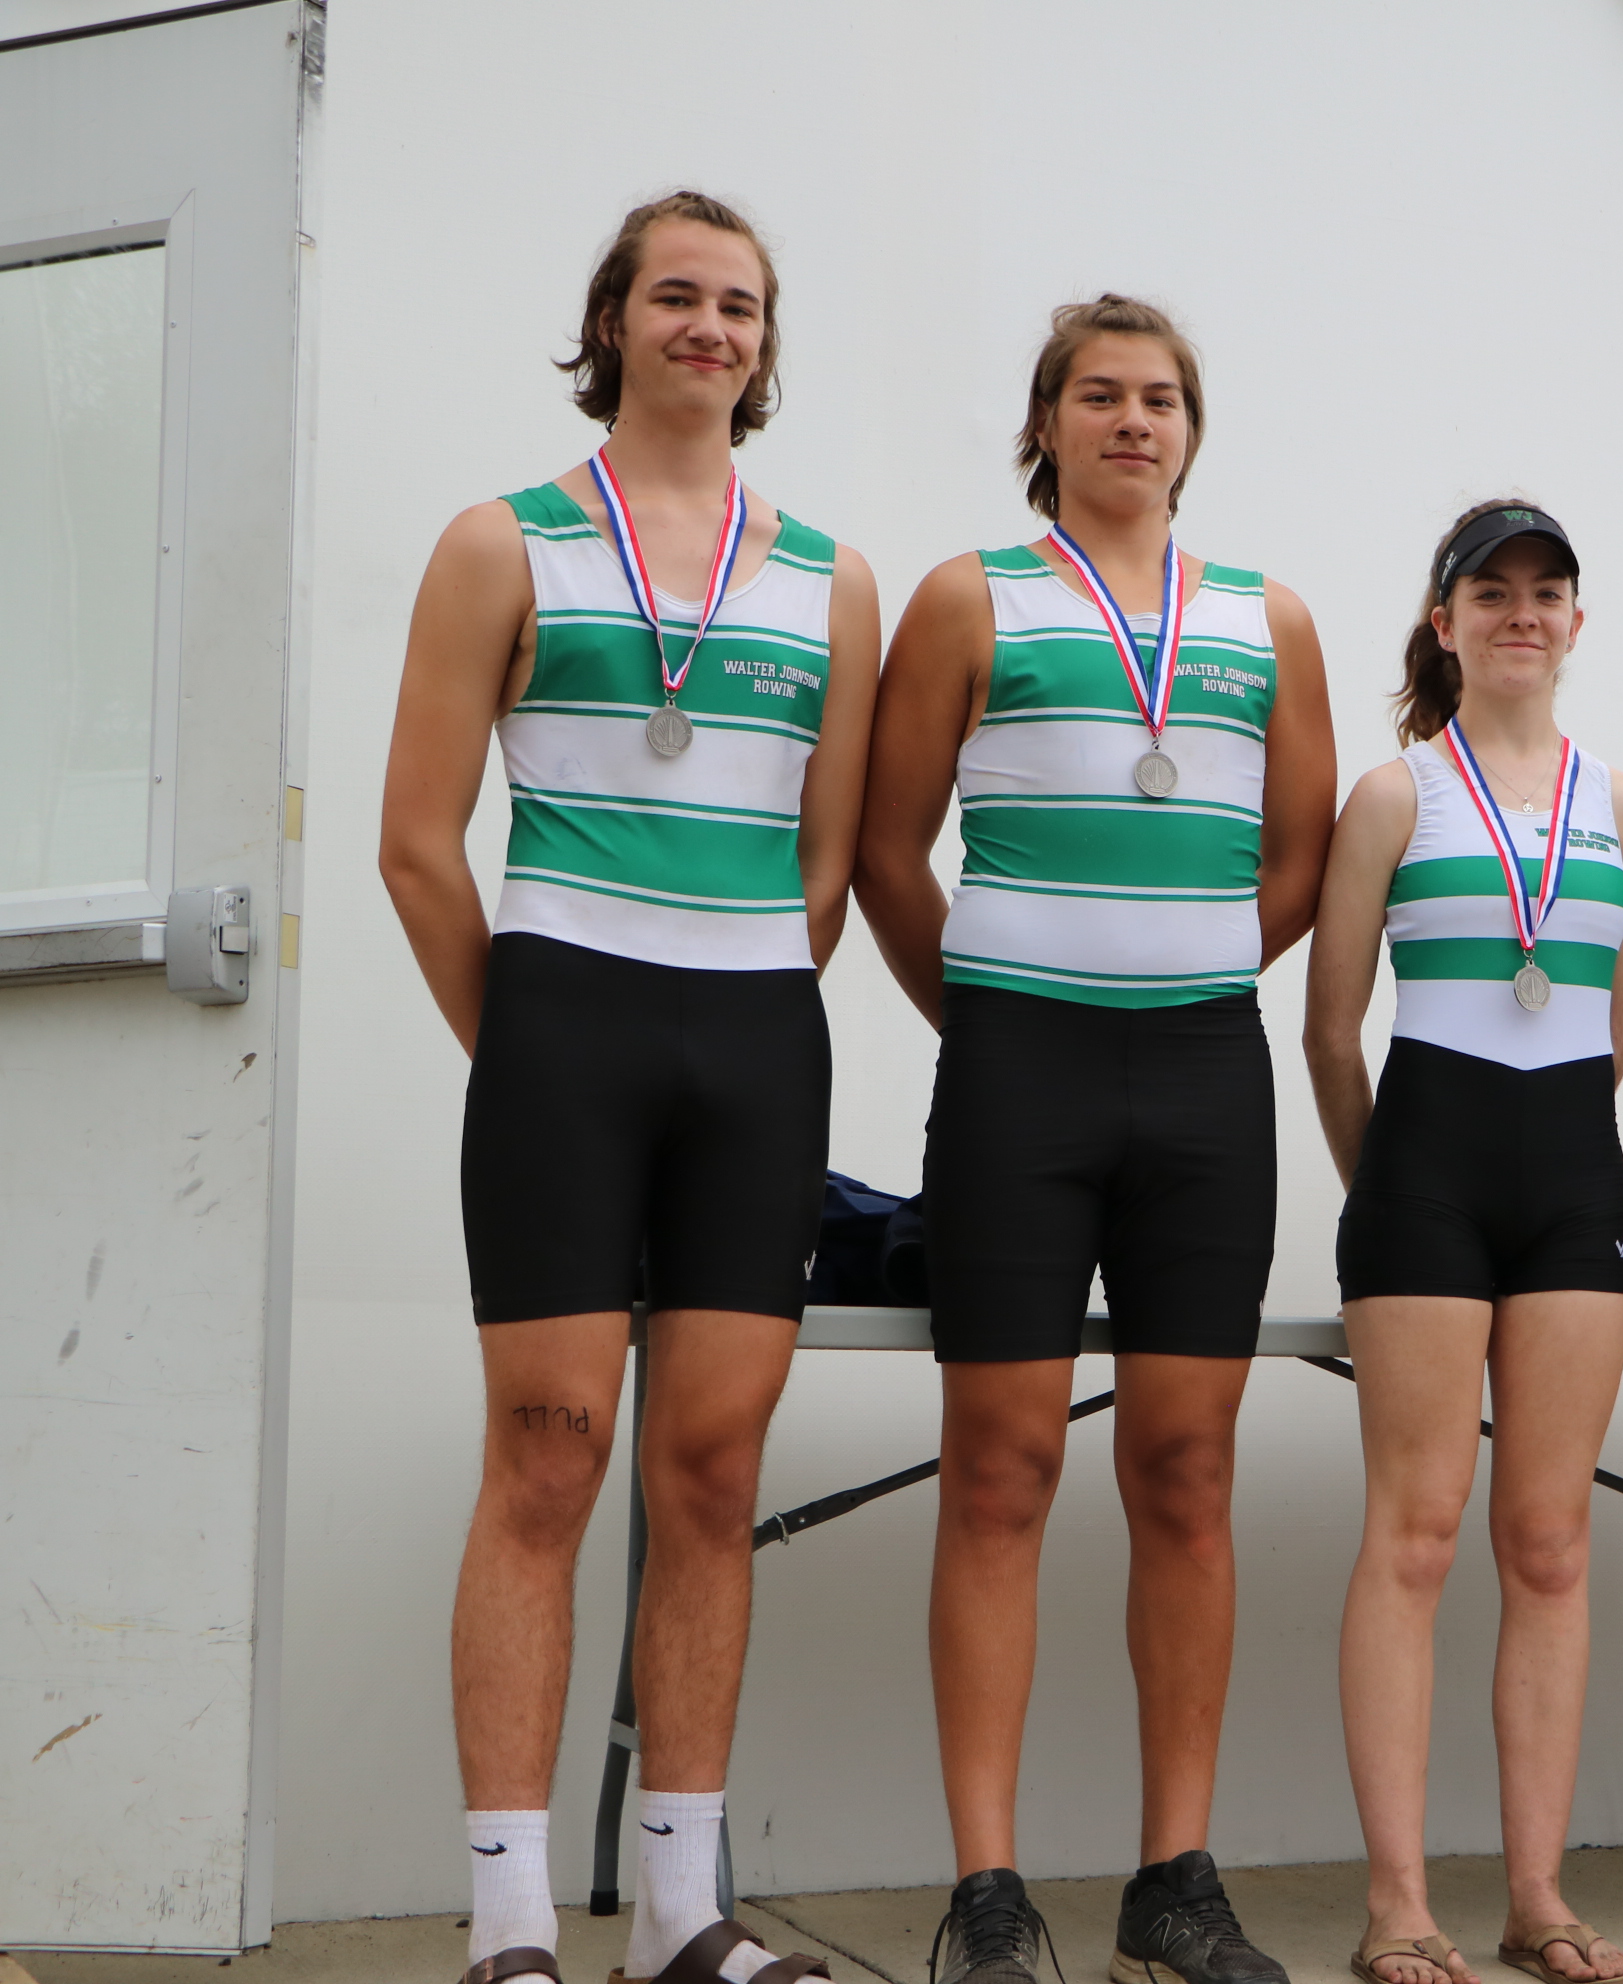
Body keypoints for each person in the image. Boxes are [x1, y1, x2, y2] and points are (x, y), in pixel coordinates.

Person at [379, 192, 875, 1984]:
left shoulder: (832, 579)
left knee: (711, 1471)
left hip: (754, 1042)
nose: (709, 326)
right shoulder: (499, 543)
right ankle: (510, 1919)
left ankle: (681, 1911)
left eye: (740, 304)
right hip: (564, 1030)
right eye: (676, 294)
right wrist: (529, 1050)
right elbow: (416, 845)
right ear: (613, 320)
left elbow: (826, 867)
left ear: (764, 344)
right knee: (548, 1458)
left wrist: (727, 998)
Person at [853, 295, 1335, 1984]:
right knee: (1001, 1468)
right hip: (1018, 1075)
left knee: (1186, 1473)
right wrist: (992, 1009)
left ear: (1192, 432)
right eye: (1099, 394)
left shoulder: (1268, 619)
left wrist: (1176, 972)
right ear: (1044, 424)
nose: (1133, 421)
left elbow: (1298, 857)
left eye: (1161, 399)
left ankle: (1171, 1884)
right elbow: (887, 849)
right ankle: (988, 1892)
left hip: (1203, 1077)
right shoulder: (968, 598)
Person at [1304, 503, 1623, 1984]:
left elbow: (1613, 1029)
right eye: (1491, 591)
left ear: (1577, 622)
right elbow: (1330, 1032)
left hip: (1572, 1185)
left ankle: (1535, 1897)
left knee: (1551, 1542)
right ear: (1443, 622)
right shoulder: (1393, 797)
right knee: (1417, 1533)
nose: (1523, 612)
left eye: (1547, 591)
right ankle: (1398, 1904)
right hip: (1424, 1191)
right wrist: (1388, 1193)